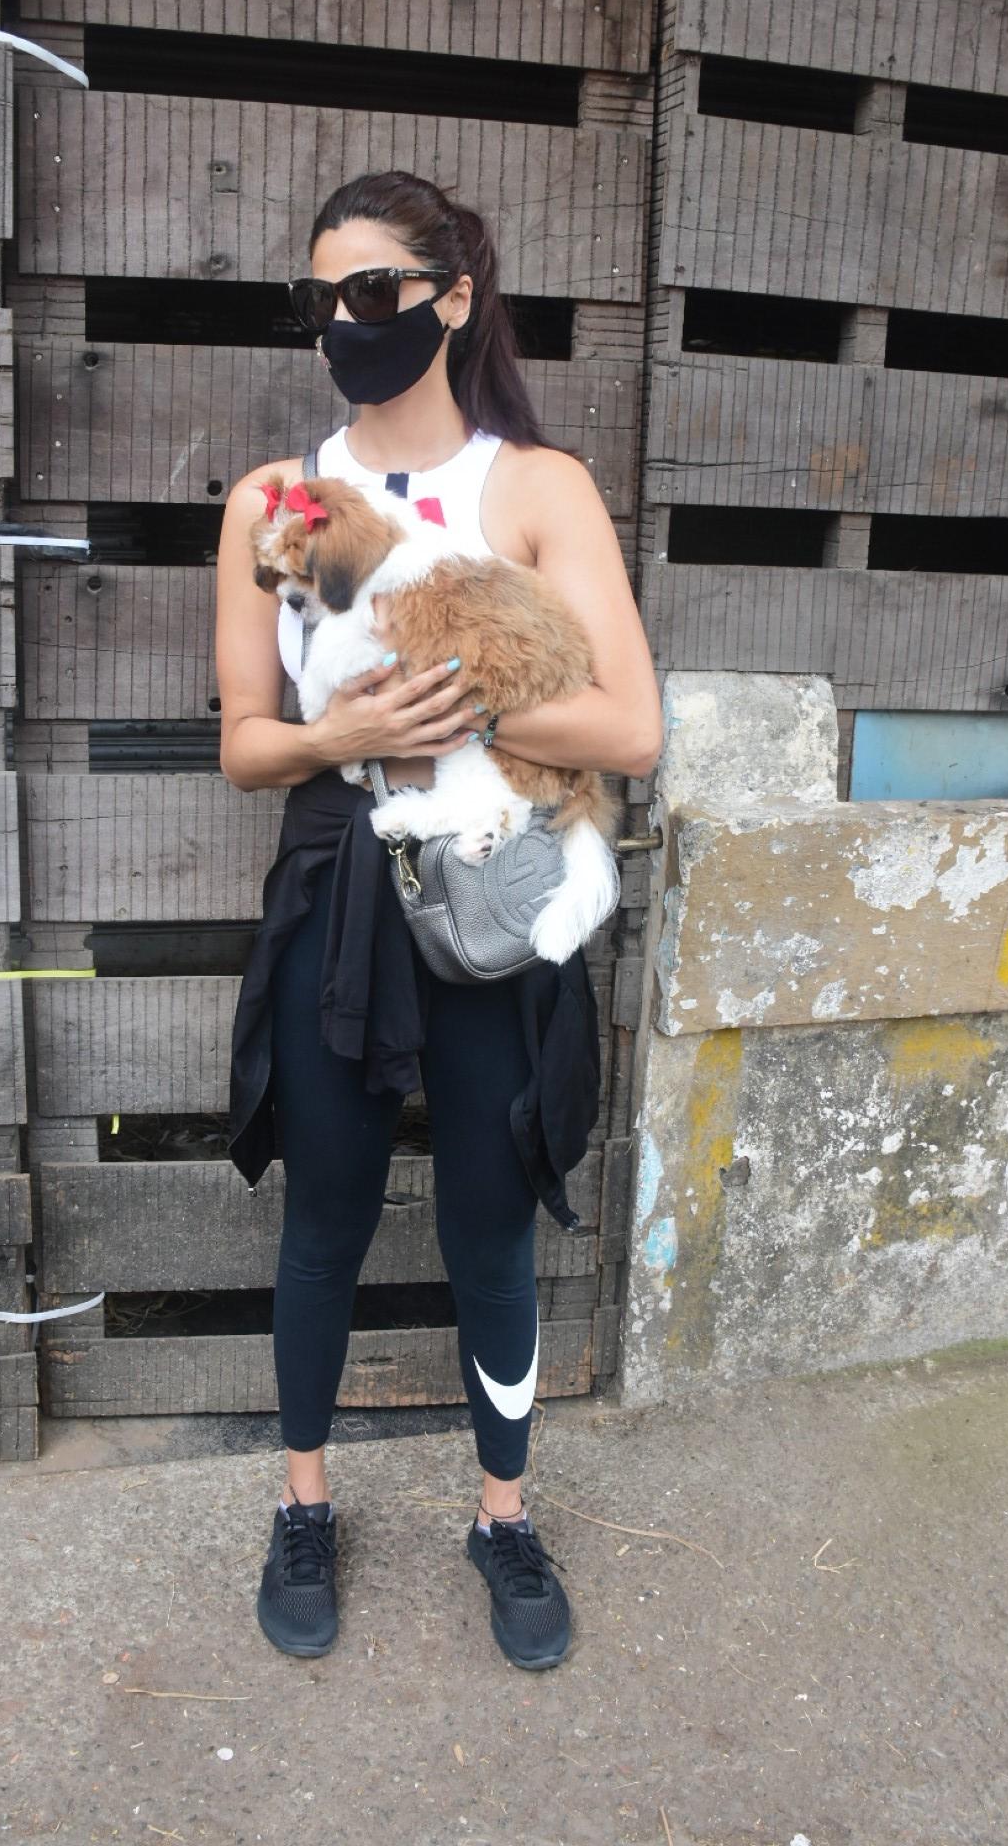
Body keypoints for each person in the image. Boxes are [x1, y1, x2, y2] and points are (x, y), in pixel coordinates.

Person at [216, 169, 662, 1671]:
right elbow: (244, 743)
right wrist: (346, 735)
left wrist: (459, 705)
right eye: (320, 300)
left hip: (495, 870)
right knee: (325, 1217)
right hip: (343, 870)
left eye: (371, 296)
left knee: (486, 1219)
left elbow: (629, 727)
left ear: (449, 298)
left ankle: (503, 1515)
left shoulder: (536, 488)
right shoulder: (270, 503)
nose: (342, 326)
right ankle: (302, 1503)